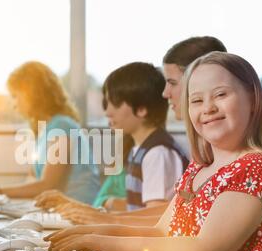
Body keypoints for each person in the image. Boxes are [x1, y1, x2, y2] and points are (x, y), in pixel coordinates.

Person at [46, 52, 262, 251]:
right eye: (196, 100)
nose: (208, 108)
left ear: (252, 98)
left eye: (221, 94)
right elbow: (162, 232)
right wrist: (91, 232)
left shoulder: (256, 166)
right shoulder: (199, 168)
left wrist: (98, 242)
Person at [46, 36, 227, 225]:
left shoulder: (159, 152)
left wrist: (104, 222)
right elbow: (169, 212)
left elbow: (163, 223)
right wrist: (99, 216)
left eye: (172, 83)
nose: (165, 93)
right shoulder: (199, 156)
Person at [0, 61, 100, 204]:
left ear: (32, 94)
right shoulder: (44, 130)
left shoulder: (61, 127)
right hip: (60, 209)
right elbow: (32, 180)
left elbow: (47, 185)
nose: (14, 104)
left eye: (15, 96)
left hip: (79, 208)